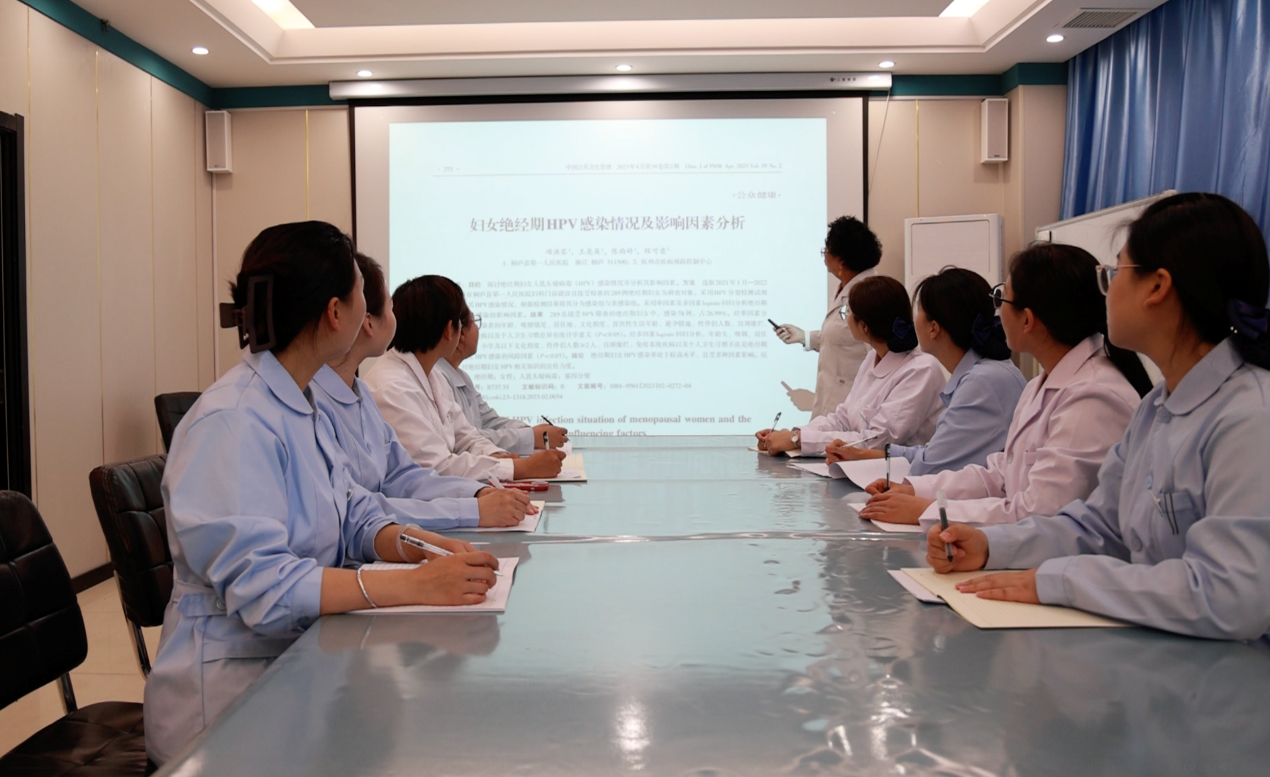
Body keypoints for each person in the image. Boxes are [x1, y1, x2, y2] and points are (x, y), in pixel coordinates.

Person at [145, 222, 502, 765]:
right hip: (227, 711)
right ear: (337, 312)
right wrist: (413, 584)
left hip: (300, 669)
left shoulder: (300, 402)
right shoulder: (233, 421)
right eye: (362, 289)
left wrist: (422, 546)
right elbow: (266, 588)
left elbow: (354, 512)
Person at [929, 193, 1270, 643]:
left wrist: (1061, 581)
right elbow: (1099, 527)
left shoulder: (1250, 417)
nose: (1105, 292)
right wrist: (992, 545)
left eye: (1114, 274)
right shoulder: (1157, 407)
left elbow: (1228, 594)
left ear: (1157, 287)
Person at [859, 243, 1152, 527]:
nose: (996, 313)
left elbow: (1041, 514)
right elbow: (1002, 474)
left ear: (1027, 320)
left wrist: (931, 509)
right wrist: (915, 490)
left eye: (1002, 299)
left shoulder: (1092, 397)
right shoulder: (1040, 384)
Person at [312, 253, 532, 530]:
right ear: (365, 321)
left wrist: (476, 493)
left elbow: (403, 475)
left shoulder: (362, 393)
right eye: (390, 307)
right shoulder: (379, 389)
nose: (396, 317)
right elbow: (357, 511)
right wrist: (471, 506)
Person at [363, 274, 566, 481]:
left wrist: (497, 456)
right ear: (448, 330)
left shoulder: (432, 376)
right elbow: (436, 468)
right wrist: (518, 468)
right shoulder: (393, 387)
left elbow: (466, 438)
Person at [826, 267, 1026, 476]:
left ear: (934, 328)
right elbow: (931, 454)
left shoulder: (980, 382)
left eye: (918, 311)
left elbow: (932, 463)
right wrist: (861, 454)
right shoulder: (983, 373)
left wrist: (864, 455)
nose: (913, 320)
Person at [758, 275, 944, 455]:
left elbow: (876, 441)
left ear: (864, 326)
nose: (845, 318)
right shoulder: (872, 358)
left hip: (901, 473)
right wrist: (793, 435)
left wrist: (798, 440)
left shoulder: (920, 370)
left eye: (848, 313)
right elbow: (843, 419)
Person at [774, 216, 882, 418]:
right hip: (834, 404)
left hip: (854, 406)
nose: (824, 256)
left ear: (841, 260)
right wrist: (804, 337)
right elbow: (843, 336)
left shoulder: (870, 294)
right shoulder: (847, 288)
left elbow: (878, 352)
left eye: (826, 251)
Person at [434, 305, 569, 455]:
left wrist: (527, 430)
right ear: (461, 332)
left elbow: (489, 421)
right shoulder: (438, 378)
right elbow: (464, 439)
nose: (477, 329)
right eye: (474, 322)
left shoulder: (462, 376)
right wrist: (531, 437)